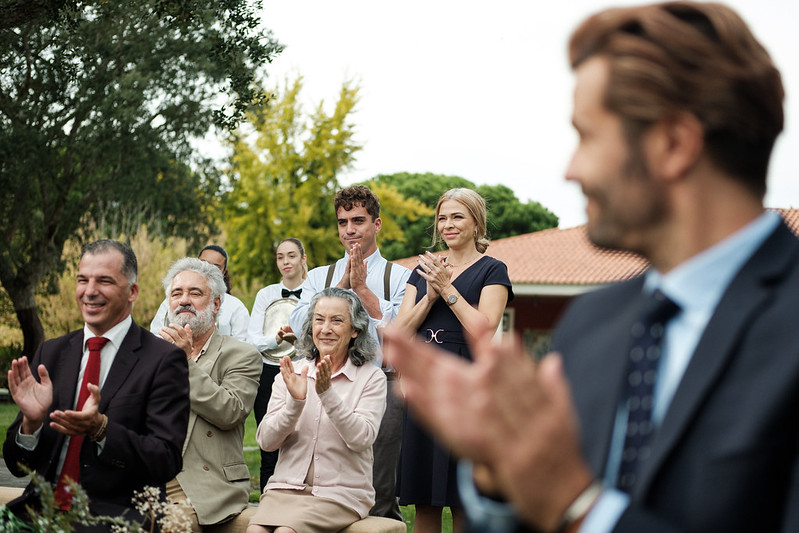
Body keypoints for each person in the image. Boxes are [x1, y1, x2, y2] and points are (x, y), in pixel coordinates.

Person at [384, 3, 798, 533]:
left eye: (587, 136)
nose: (570, 169)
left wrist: (577, 505)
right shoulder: (591, 325)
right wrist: (499, 477)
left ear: (673, 144)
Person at [3, 240, 190, 531]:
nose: (90, 291)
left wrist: (101, 429)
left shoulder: (163, 360)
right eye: (82, 280)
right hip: (37, 512)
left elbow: (165, 459)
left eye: (104, 280)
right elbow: (16, 465)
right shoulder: (50, 353)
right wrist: (31, 423)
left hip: (114, 518)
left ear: (132, 292)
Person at [289, 185, 410, 520]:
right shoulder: (318, 276)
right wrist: (341, 287)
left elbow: (401, 330)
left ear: (377, 224)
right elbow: (301, 324)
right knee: (324, 477)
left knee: (380, 485)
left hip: (383, 383)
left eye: (358, 220)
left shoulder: (401, 276)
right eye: (343, 222)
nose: (350, 230)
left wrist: (363, 291)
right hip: (326, 382)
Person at [395, 188, 513, 532]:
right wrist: (429, 296)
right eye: (442, 218)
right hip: (424, 387)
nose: (448, 224)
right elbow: (398, 332)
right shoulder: (423, 271)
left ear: (476, 223)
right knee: (425, 501)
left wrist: (447, 289)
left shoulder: (493, 270)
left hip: (467, 387)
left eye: (457, 216)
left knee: (462, 499)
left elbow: (483, 330)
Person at [247, 288, 387, 533]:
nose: (326, 329)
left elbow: (362, 438)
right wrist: (295, 403)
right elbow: (266, 441)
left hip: (341, 494)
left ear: (355, 330)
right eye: (319, 319)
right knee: (255, 531)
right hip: (285, 488)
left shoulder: (371, 377)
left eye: (337, 320)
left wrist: (327, 394)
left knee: (285, 532)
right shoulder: (292, 373)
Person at [158, 257, 261, 531]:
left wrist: (186, 364)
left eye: (195, 293)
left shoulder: (241, 354)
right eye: (176, 293)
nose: (184, 300)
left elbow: (230, 411)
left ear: (216, 304)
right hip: (150, 472)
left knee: (172, 526)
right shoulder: (153, 355)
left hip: (205, 481)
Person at [247, 238, 308, 490]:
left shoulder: (315, 293)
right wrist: (276, 339)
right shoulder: (266, 294)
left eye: (291, 256)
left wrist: (299, 340)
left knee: (303, 439)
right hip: (268, 373)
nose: (286, 262)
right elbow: (252, 339)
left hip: (303, 370)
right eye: (281, 257)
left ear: (303, 259)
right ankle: (265, 503)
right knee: (269, 444)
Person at [151, 244, 250, 342]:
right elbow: (156, 336)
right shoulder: (172, 302)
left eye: (195, 294)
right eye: (203, 263)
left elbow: (243, 345)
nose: (208, 269)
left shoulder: (236, 306)